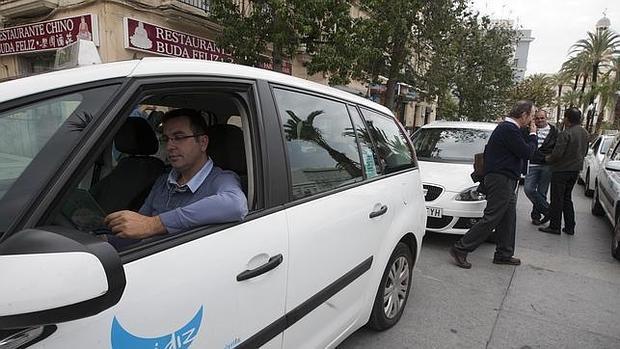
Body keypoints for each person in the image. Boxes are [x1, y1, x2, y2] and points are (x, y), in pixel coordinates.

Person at [104, 108, 248, 245]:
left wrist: (156, 224)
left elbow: (236, 205)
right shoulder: (163, 181)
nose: (169, 147)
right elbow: (139, 228)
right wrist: (103, 241)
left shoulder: (221, 179)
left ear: (203, 143)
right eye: (167, 139)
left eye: (179, 137)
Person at [449, 101, 538, 269]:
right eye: (532, 116)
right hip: (501, 179)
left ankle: (504, 253)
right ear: (524, 115)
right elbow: (527, 152)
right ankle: (461, 248)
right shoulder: (509, 129)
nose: (532, 120)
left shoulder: (511, 129)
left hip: (506, 179)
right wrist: (533, 135)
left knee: (508, 218)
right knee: (492, 217)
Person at [538, 108, 589, 235]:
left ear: (567, 119)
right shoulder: (585, 133)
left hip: (561, 170)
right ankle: (570, 226)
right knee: (567, 198)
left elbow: (557, 154)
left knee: (557, 199)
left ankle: (555, 226)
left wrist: (545, 158)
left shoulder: (566, 133)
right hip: (575, 170)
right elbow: (585, 152)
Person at [523, 110, 558, 225]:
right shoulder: (529, 130)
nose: (540, 120)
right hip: (532, 164)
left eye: (542, 118)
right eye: (537, 118)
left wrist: (547, 157)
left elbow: (557, 148)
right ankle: (548, 211)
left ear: (546, 118)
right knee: (528, 189)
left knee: (542, 192)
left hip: (547, 166)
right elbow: (526, 146)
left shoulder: (555, 131)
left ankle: (536, 216)